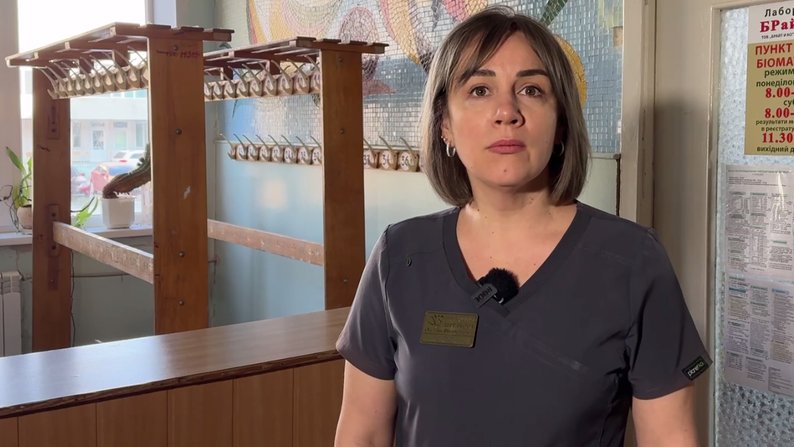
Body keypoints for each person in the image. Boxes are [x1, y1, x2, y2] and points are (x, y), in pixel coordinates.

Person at [335, 6, 710, 447]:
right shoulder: (400, 255)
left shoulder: (632, 261)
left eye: (531, 90)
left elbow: (670, 438)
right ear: (444, 125)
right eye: (479, 90)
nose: (506, 112)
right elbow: (361, 434)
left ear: (561, 122)